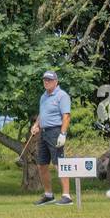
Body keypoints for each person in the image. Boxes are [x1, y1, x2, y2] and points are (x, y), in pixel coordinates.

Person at [30, 70, 72, 206]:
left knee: (59, 164)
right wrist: (36, 125)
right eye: (45, 80)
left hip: (55, 132)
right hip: (44, 133)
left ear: (56, 81)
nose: (46, 82)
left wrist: (63, 134)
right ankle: (49, 195)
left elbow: (66, 116)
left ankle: (66, 196)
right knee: (42, 164)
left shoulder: (62, 95)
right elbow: (42, 114)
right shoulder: (43, 97)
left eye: (49, 80)